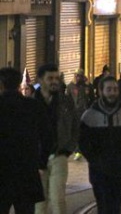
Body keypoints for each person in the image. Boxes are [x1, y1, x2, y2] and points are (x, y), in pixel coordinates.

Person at [79, 76, 121, 214]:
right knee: (103, 206)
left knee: (116, 207)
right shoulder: (89, 115)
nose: (112, 93)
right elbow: (83, 143)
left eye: (115, 89)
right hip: (98, 171)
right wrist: (95, 161)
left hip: (118, 169)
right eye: (109, 89)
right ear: (100, 91)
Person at [0, 67, 53, 214]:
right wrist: (41, 161)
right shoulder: (33, 106)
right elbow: (48, 136)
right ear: (19, 84)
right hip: (26, 171)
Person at [34, 64, 79, 214]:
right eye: (50, 78)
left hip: (58, 155)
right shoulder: (30, 102)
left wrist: (68, 149)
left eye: (56, 78)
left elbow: (75, 126)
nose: (54, 81)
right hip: (36, 159)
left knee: (58, 200)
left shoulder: (65, 101)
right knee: (39, 203)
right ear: (40, 80)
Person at [66, 68, 95, 161]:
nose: (78, 77)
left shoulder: (88, 86)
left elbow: (92, 99)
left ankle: (82, 149)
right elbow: (67, 100)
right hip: (75, 113)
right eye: (77, 75)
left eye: (80, 76)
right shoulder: (70, 86)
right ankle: (77, 150)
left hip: (85, 112)